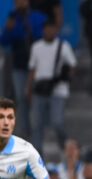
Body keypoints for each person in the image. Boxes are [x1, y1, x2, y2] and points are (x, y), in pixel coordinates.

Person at [26, 19, 76, 151]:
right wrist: (28, 87)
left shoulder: (63, 46)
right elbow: (32, 69)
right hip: (40, 89)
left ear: (55, 30)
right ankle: (37, 156)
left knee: (57, 123)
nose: (49, 31)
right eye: (46, 29)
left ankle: (65, 148)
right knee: (36, 125)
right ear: (43, 31)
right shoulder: (36, 47)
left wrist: (66, 76)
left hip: (57, 89)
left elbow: (72, 66)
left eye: (51, 28)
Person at [0, 0, 46, 137]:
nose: (20, 5)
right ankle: (26, 132)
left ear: (28, 2)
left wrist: (24, 31)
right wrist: (9, 29)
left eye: (23, 1)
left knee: (36, 98)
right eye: (17, 3)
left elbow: (42, 36)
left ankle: (39, 130)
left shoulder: (38, 17)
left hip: (38, 66)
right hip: (19, 65)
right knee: (21, 97)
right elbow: (3, 40)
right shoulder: (12, 19)